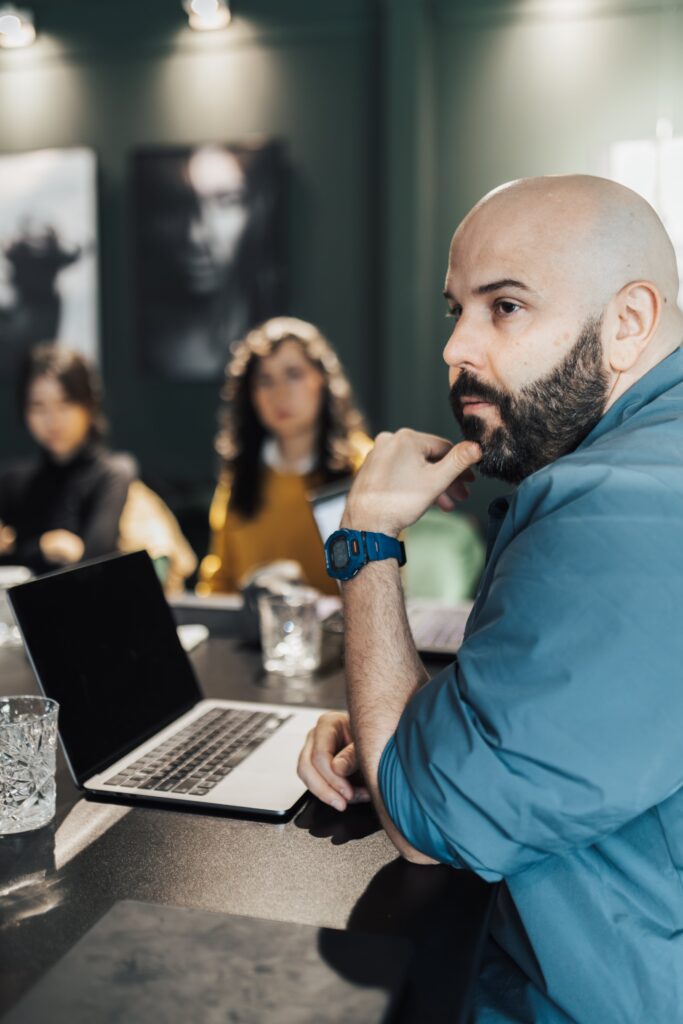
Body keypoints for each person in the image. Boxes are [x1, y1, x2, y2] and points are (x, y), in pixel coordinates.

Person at [297, 175, 683, 1022]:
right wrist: (417, 718)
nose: (455, 347)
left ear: (628, 322)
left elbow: (419, 822)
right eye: (455, 310)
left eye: (504, 307)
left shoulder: (618, 508)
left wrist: (365, 542)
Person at [197, 316, 371, 598]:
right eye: (265, 380)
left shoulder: (365, 467)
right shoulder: (240, 474)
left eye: (293, 374)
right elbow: (219, 584)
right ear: (251, 395)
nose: (280, 393)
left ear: (322, 379)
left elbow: (380, 582)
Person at [135, 143, 284, 379]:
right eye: (179, 204)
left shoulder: (274, 336)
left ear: (259, 208)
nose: (196, 236)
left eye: (226, 201)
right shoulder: (160, 346)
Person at [0, 345, 137, 575]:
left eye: (65, 404)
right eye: (38, 406)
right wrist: (44, 546)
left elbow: (92, 566)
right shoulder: (12, 482)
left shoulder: (112, 473)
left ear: (88, 404)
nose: (52, 420)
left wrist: (20, 550)